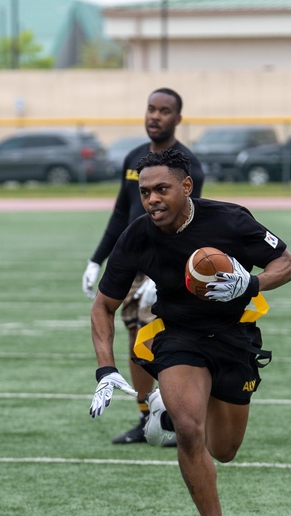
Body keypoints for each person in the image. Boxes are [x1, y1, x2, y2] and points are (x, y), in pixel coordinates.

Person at [88, 149, 291, 516]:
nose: (152, 200)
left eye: (161, 189)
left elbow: (287, 264)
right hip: (179, 337)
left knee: (224, 449)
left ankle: (172, 407)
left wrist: (251, 282)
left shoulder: (230, 220)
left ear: (186, 187)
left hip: (234, 339)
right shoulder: (138, 235)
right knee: (188, 429)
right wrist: (105, 369)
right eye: (145, 192)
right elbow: (103, 306)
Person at [82, 88, 205, 446]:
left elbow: (192, 222)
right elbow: (121, 213)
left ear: (177, 118)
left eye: (164, 111)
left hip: (169, 264)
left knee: (165, 341)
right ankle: (145, 416)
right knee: (136, 338)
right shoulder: (134, 158)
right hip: (134, 262)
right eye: (151, 108)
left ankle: (180, 418)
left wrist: (168, 271)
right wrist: (96, 259)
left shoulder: (188, 165)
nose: (155, 116)